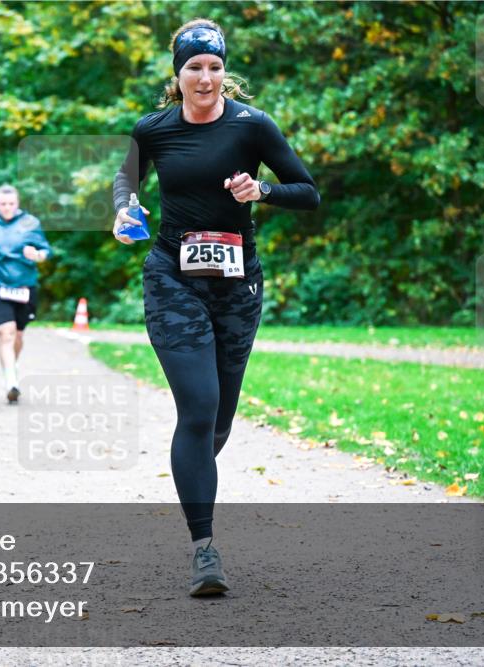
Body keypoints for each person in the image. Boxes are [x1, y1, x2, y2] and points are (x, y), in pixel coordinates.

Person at [112, 18, 319, 596]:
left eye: (214, 67)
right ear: (176, 76)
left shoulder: (254, 127)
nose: (205, 78)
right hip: (172, 279)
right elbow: (125, 183)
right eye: (193, 68)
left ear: (225, 71)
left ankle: (191, 478)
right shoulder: (152, 130)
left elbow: (308, 191)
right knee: (199, 410)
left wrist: (264, 191)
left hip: (237, 285)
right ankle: (204, 549)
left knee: (220, 420)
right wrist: (123, 212)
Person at [0, 184, 51, 404]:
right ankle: (11, 382)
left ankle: (11, 368)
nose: (7, 208)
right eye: (2, 204)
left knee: (18, 335)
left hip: (25, 287)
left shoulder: (31, 223)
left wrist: (37, 255)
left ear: (17, 204)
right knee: (5, 333)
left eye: (11, 204)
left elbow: (47, 250)